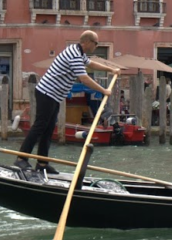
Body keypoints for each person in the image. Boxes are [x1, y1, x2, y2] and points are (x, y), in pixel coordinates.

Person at [16, 30, 122, 175]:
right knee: (40, 126)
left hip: (54, 95)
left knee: (48, 129)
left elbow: (91, 64)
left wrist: (111, 69)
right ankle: (21, 158)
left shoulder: (79, 53)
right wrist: (104, 91)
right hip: (46, 92)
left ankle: (42, 163)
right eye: (96, 43)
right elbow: (84, 78)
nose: (97, 46)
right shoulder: (74, 55)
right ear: (87, 42)